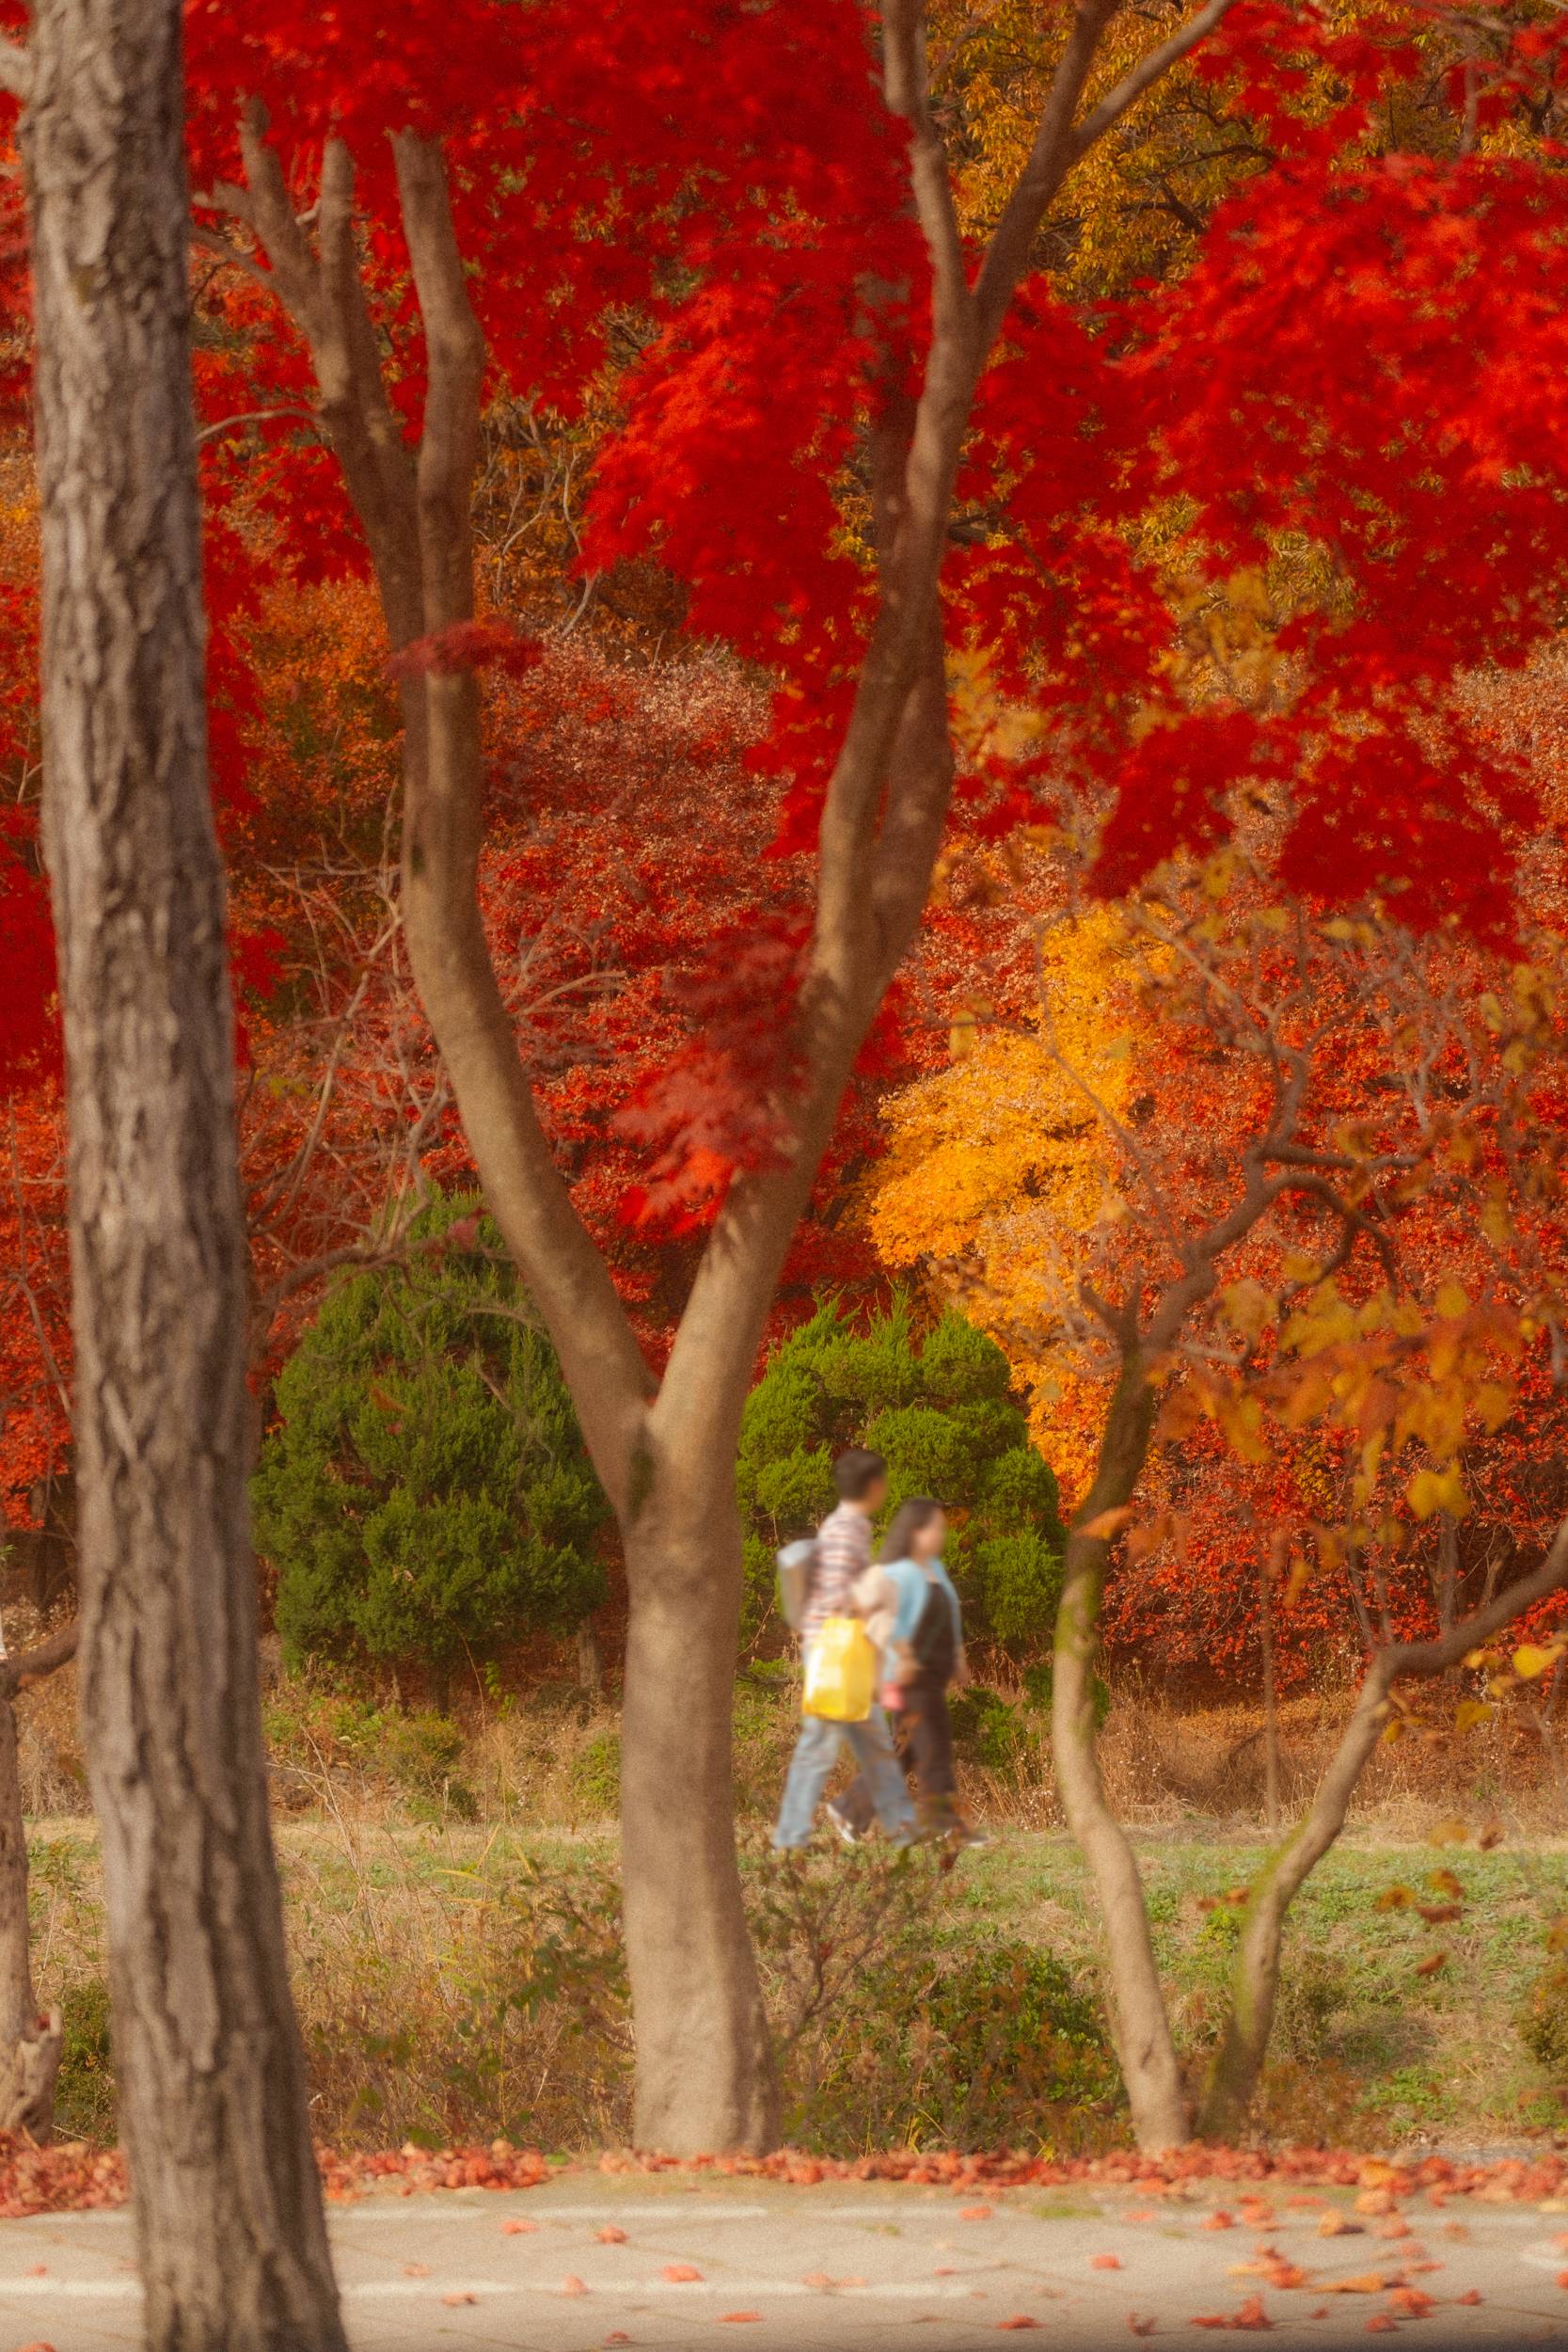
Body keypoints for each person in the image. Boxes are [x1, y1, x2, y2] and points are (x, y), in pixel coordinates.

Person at [771, 1449, 917, 1851]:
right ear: (873, 1486)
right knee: (821, 1744)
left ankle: (899, 1826)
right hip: (836, 1650)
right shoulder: (848, 1529)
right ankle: (791, 1834)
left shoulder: (843, 1526)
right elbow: (841, 1595)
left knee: (869, 1738)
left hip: (838, 1647)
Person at [840, 1496, 988, 1848]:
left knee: (910, 1752)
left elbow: (948, 1616)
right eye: (935, 1527)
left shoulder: (934, 1570)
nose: (942, 1533)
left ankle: (851, 1809)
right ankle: (944, 1824)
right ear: (915, 1531)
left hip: (930, 1678)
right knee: (932, 1749)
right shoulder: (898, 1571)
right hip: (907, 1678)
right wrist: (898, 1650)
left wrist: (959, 1656)